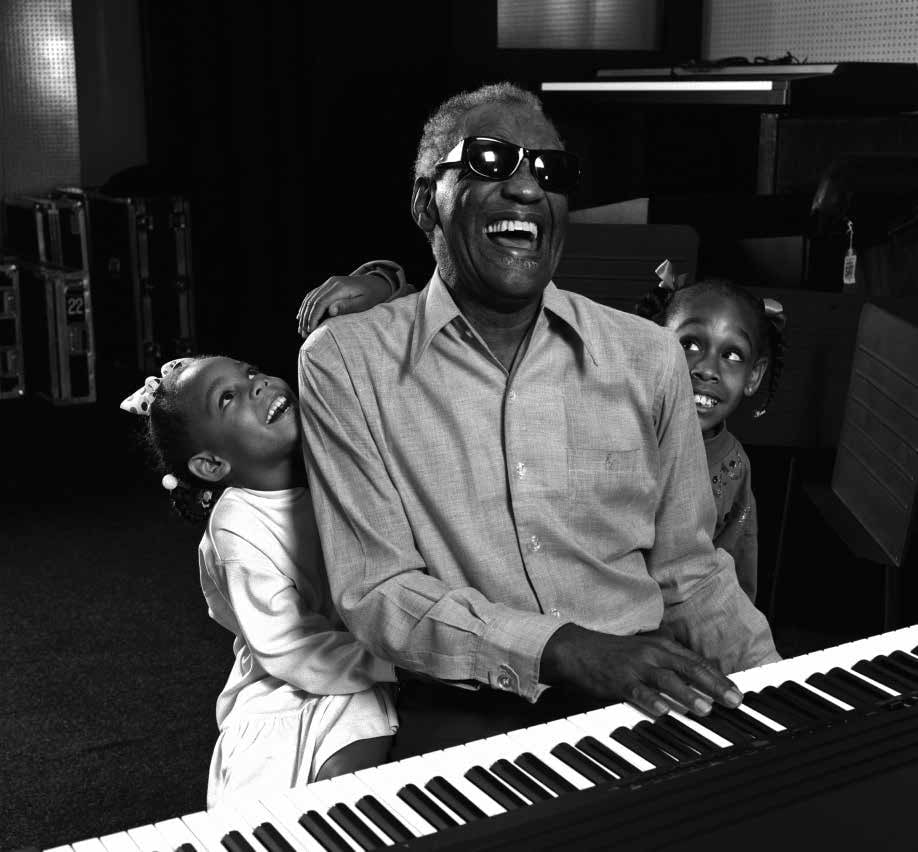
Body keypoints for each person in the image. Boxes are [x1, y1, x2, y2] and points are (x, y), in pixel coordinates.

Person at [297, 81, 780, 760]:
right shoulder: (346, 364)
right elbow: (377, 591)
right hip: (468, 710)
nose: (527, 189)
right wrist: (563, 650)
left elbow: (689, 571)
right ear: (424, 201)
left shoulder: (647, 357)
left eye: (551, 172)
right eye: (490, 161)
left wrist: (782, 688)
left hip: (640, 691)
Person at [119, 286, 404, 806]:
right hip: (288, 672)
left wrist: (378, 286)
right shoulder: (236, 526)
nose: (257, 385)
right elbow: (288, 647)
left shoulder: (327, 447)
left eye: (250, 373)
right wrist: (399, 660)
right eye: (227, 398)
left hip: (359, 651)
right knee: (261, 792)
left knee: (358, 742)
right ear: (211, 466)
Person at [635, 265, 788, 604]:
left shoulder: (734, 468)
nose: (706, 368)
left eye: (732, 355)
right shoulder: (619, 433)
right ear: (652, 343)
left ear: (753, 376)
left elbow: (735, 577)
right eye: (689, 344)